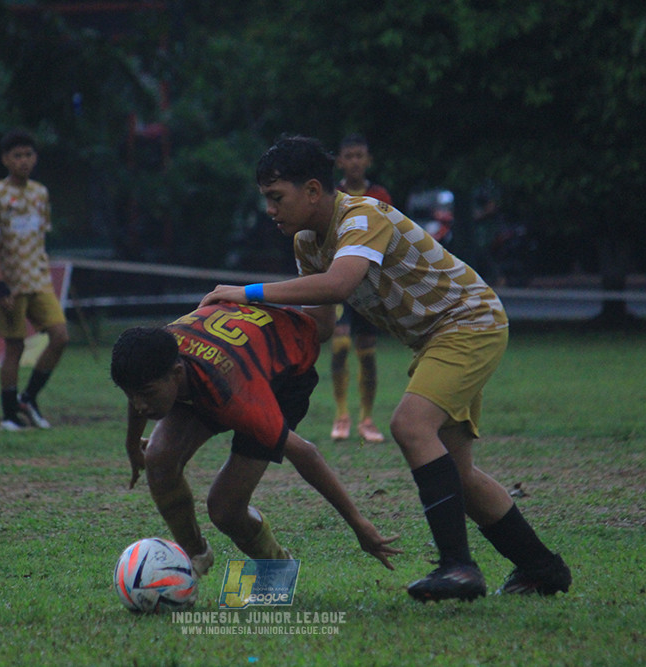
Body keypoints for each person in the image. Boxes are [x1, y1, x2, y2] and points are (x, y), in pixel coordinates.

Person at [200, 136, 570, 602]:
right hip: (437, 338)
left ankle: (457, 568)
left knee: (410, 425)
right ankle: (542, 568)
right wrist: (240, 353)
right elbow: (317, 328)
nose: (270, 210)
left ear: (313, 190)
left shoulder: (361, 216)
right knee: (458, 474)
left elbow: (338, 285)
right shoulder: (308, 243)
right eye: (267, 199)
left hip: (469, 322)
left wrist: (245, 292)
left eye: (277, 198)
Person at [111, 301, 400, 577]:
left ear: (176, 374)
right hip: (227, 362)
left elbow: (306, 453)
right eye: (131, 395)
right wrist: (132, 446)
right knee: (158, 458)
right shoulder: (157, 357)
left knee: (225, 509)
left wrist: (359, 524)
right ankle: (194, 556)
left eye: (147, 394)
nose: (139, 405)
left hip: (280, 382)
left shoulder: (239, 399)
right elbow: (138, 388)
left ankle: (278, 566)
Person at [0, 129, 69, 431]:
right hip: (12, 282)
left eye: (28, 155)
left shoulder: (40, 193)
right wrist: (0, 281)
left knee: (60, 336)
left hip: (39, 279)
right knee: (15, 347)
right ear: (6, 159)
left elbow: (40, 236)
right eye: (17, 155)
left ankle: (29, 398)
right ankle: (9, 415)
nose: (23, 161)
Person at [330, 134, 391, 443]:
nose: (354, 161)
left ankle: (367, 419)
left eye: (360, 156)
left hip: (368, 284)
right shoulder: (333, 195)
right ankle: (341, 415)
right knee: (339, 345)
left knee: (367, 352)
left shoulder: (380, 195)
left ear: (368, 160)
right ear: (340, 161)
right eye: (349, 156)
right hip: (341, 283)